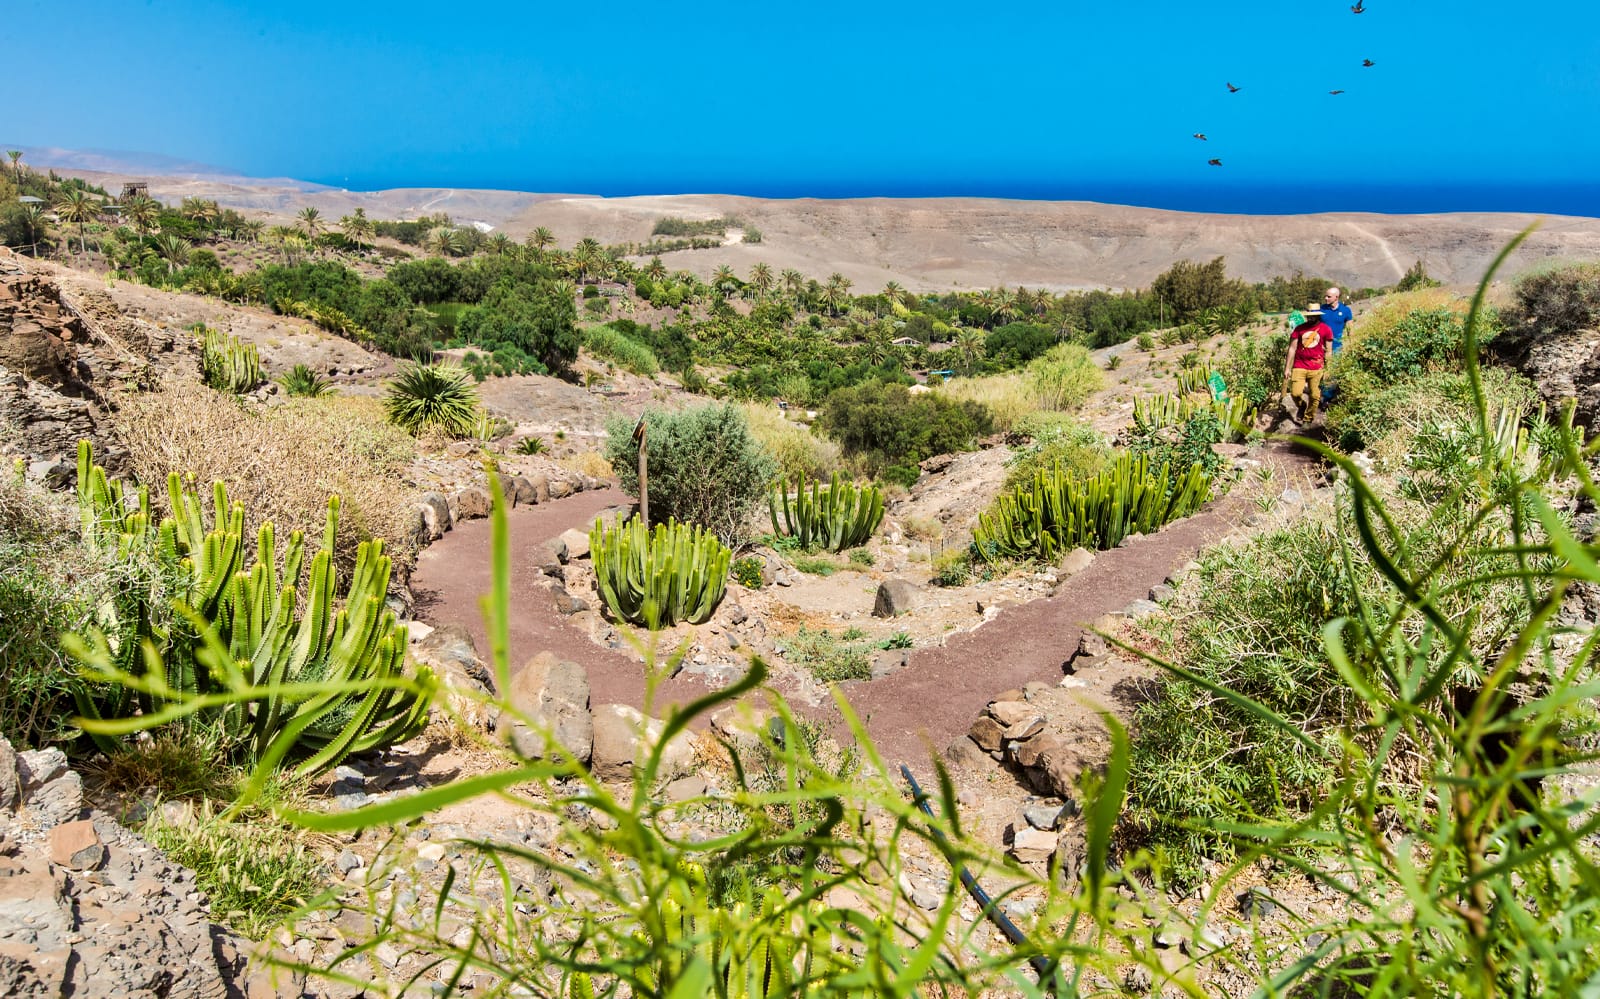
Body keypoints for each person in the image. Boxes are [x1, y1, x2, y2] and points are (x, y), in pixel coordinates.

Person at [1282, 304, 1334, 424]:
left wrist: (1328, 369)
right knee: (1295, 393)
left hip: (1317, 367)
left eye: (1312, 316)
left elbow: (1329, 350)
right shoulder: (1299, 329)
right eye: (1308, 316)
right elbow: (1292, 348)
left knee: (1315, 395)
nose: (1310, 319)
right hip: (1299, 365)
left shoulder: (1326, 329)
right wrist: (1287, 368)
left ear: (1317, 316)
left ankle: (1308, 419)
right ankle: (1301, 406)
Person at [1320, 287, 1353, 404]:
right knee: (1320, 370)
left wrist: (1351, 345)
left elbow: (1350, 330)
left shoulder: (1346, 311)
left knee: (1332, 372)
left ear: (1336, 297)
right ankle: (1317, 394)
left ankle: (1327, 398)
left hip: (1337, 346)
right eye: (1326, 296)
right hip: (1321, 346)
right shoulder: (1321, 309)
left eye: (1328, 296)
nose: (1326, 298)